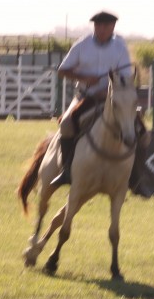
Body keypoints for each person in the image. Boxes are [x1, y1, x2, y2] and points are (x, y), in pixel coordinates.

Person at [51, 10, 134, 186]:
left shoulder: (120, 48)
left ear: (113, 27)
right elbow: (62, 70)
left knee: (140, 129)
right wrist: (84, 78)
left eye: (106, 26)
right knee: (66, 124)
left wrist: (107, 92)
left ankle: (136, 177)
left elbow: (125, 77)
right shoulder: (82, 45)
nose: (102, 29)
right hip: (84, 96)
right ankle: (67, 171)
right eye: (98, 25)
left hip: (111, 99)